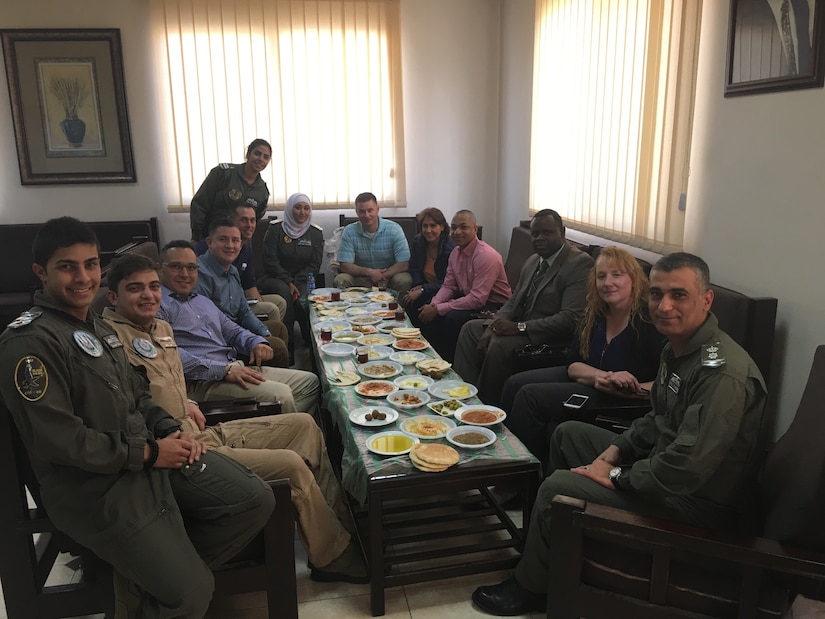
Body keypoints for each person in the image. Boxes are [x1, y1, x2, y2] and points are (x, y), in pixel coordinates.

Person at [0, 217, 275, 616]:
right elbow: (61, 441)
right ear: (41, 272)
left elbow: (137, 392)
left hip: (147, 458)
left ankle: (151, 578)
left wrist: (167, 430)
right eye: (67, 266)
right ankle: (175, 583)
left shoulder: (95, 325)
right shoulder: (30, 344)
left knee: (254, 498)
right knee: (193, 593)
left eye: (91, 264)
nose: (83, 277)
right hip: (95, 487)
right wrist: (148, 453)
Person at [471, 252, 769, 616]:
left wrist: (616, 476)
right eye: (657, 294)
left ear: (706, 300)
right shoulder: (679, 349)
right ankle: (556, 556)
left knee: (557, 488)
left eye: (679, 295)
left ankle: (531, 587)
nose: (664, 305)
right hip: (666, 470)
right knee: (568, 435)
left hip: (695, 505)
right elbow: (655, 419)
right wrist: (614, 451)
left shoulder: (721, 371)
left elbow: (687, 467)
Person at [102, 253, 367, 583]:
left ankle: (342, 526)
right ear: (113, 297)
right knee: (291, 465)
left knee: (305, 426)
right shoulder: (109, 343)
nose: (149, 295)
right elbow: (123, 408)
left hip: (196, 429)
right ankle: (331, 557)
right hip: (182, 451)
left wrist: (183, 400)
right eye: (135, 289)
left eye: (153, 287)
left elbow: (151, 383)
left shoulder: (159, 326)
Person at [501, 246, 666, 462]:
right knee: (514, 383)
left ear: (633, 279)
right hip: (593, 379)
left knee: (530, 396)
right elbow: (573, 364)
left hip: (622, 398)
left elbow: (664, 382)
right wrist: (601, 376)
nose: (608, 283)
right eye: (601, 276)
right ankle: (502, 457)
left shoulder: (648, 322)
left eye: (617, 275)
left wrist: (631, 387)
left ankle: (524, 474)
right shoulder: (594, 313)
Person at [157, 240, 320, 414]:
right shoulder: (158, 304)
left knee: (309, 383)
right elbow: (170, 356)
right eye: (176, 267)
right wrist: (223, 371)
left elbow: (232, 330)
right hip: (201, 382)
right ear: (160, 269)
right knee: (282, 396)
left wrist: (255, 342)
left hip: (233, 367)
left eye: (191, 268)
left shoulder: (201, 301)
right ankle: (285, 428)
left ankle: (278, 427)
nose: (185, 274)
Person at [452, 209, 593, 406]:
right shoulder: (533, 260)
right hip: (521, 326)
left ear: (562, 231)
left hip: (549, 337)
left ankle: (485, 407)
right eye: (535, 234)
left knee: (500, 344)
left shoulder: (579, 264)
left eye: (547, 233)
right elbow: (513, 301)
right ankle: (461, 395)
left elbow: (570, 319)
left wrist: (519, 328)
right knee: (471, 329)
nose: (540, 238)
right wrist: (494, 324)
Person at [417, 210, 511, 362]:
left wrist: (439, 309)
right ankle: (431, 360)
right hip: (470, 298)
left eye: (463, 227)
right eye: (454, 228)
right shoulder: (455, 252)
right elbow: (449, 286)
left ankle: (450, 363)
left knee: (452, 318)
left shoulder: (485, 255)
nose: (457, 232)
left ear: (475, 229)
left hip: (494, 306)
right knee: (426, 308)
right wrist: (434, 305)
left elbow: (478, 299)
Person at [195, 217, 289, 367]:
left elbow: (244, 312)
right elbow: (209, 326)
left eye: (235, 240)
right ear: (209, 243)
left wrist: (264, 333)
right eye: (223, 239)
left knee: (278, 329)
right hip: (221, 343)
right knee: (276, 346)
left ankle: (270, 374)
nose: (230, 246)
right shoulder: (200, 274)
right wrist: (253, 340)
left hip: (236, 329)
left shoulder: (232, 270)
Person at [194, 203, 287, 326]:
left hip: (238, 298)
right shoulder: (204, 251)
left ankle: (265, 335)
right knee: (271, 309)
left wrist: (257, 303)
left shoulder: (245, 248)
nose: (249, 225)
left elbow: (249, 284)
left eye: (252, 220)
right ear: (231, 221)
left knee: (279, 302)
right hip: (221, 309)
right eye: (244, 220)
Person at [258, 192, 325, 357]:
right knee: (285, 293)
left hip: (303, 278)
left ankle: (311, 341)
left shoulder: (315, 233)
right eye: (297, 207)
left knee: (306, 296)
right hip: (273, 277)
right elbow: (270, 260)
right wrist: (288, 281)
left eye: (306, 208)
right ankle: (287, 345)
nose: (302, 212)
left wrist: (297, 281)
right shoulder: (275, 229)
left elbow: (314, 264)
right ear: (289, 208)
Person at [332, 192, 412, 300]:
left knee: (404, 279)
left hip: (390, 277)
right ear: (356, 212)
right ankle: (349, 313)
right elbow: (345, 265)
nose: (366, 215)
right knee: (341, 279)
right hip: (361, 279)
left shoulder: (394, 229)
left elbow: (403, 264)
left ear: (377, 209)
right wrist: (369, 273)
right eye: (362, 211)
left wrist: (380, 276)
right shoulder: (349, 231)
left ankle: (398, 313)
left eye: (370, 210)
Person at [190, 138, 272, 242]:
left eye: (266, 157)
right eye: (257, 154)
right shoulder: (223, 173)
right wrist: (196, 237)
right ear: (248, 154)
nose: (261, 159)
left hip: (239, 244)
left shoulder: (262, 192)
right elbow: (199, 205)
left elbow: (254, 222)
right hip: (211, 238)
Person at [402, 207, 455, 322]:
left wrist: (422, 289)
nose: (428, 230)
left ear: (442, 227)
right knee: (408, 301)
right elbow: (414, 266)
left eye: (433, 226)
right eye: (425, 226)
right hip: (425, 286)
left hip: (443, 291)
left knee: (424, 307)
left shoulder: (450, 249)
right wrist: (418, 284)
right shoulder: (418, 242)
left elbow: (448, 282)